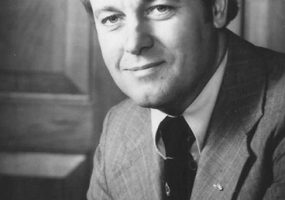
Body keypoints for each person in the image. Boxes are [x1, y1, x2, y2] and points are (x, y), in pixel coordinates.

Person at [81, 0, 285, 199]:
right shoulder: (119, 125)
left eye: (160, 8)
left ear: (217, 8)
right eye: (111, 18)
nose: (134, 44)